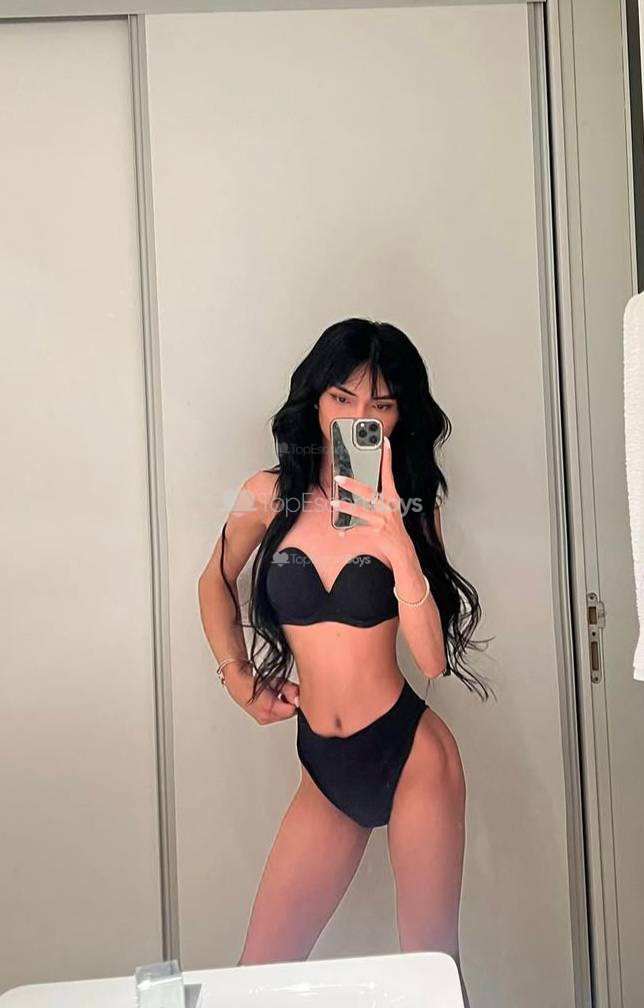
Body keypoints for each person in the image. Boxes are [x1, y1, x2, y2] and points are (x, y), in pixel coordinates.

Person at [198, 318, 494, 1007]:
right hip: (324, 767)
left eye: (381, 405)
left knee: (431, 976)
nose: (359, 418)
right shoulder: (267, 493)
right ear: (316, 401)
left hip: (410, 755)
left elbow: (431, 660)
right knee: (255, 976)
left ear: (399, 416)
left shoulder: (412, 506)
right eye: (342, 398)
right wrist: (236, 675)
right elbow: (214, 578)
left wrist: (396, 542)